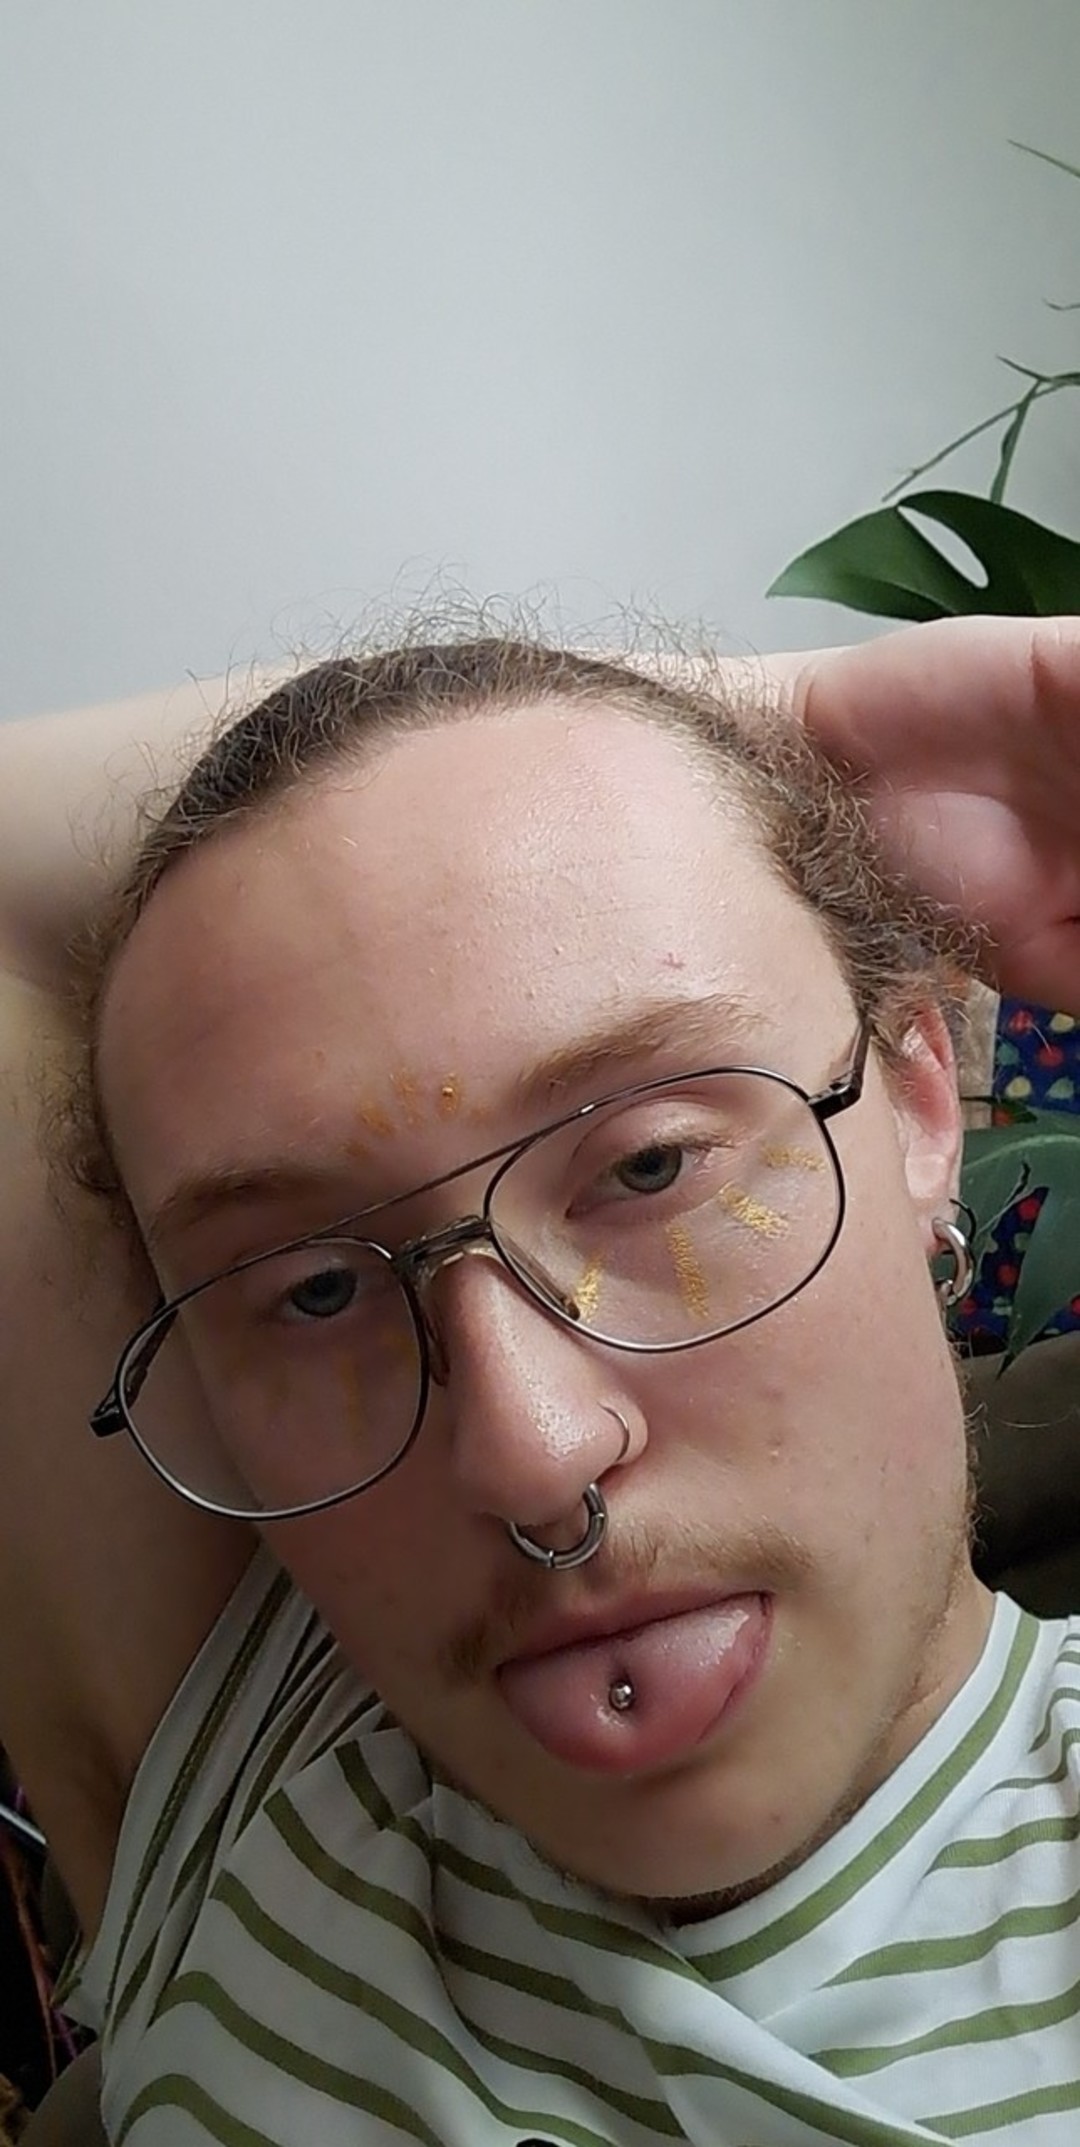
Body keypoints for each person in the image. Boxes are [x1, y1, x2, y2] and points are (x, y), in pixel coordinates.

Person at [2, 614, 1080, 2146]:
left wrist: (706, 761)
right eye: (315, 1291)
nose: (531, 1453)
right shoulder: (255, 1791)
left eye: (650, 1165)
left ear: (914, 1101)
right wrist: (794, 715)